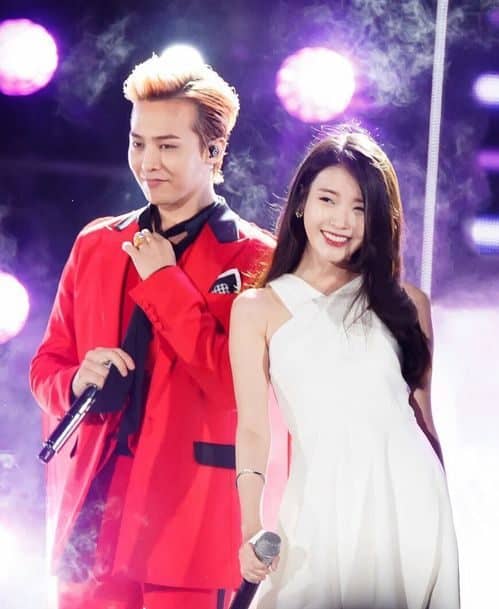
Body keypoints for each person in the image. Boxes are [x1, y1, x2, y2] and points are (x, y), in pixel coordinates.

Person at [30, 53, 273, 609]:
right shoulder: (96, 244)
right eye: (138, 143)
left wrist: (165, 280)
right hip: (91, 511)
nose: (147, 162)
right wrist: (76, 380)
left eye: (167, 145)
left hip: (189, 520)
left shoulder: (258, 258)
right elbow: (45, 366)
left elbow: (236, 388)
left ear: (213, 152)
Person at [229, 126, 460, 609]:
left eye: (360, 208)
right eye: (328, 200)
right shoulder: (257, 308)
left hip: (409, 505)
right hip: (319, 503)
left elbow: (423, 420)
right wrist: (251, 524)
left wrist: (443, 515)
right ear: (301, 202)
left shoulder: (407, 304)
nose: (342, 221)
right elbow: (252, 427)